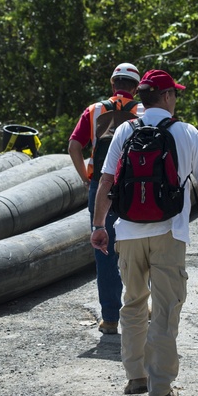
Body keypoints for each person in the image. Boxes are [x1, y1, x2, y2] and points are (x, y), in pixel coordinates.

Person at [91, 69, 198, 396]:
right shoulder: (187, 132)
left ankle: (136, 376)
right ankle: (160, 388)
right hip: (170, 232)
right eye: (174, 94)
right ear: (165, 97)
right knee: (165, 309)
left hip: (128, 232)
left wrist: (99, 225)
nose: (176, 99)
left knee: (133, 302)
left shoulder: (125, 129)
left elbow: (106, 182)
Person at [69, 63, 145, 335]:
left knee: (104, 250)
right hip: (136, 189)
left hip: (100, 187)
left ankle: (110, 318)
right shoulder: (143, 111)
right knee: (138, 246)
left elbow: (74, 146)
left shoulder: (94, 111)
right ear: (136, 87)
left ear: (113, 85)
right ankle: (139, 307)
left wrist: (84, 176)